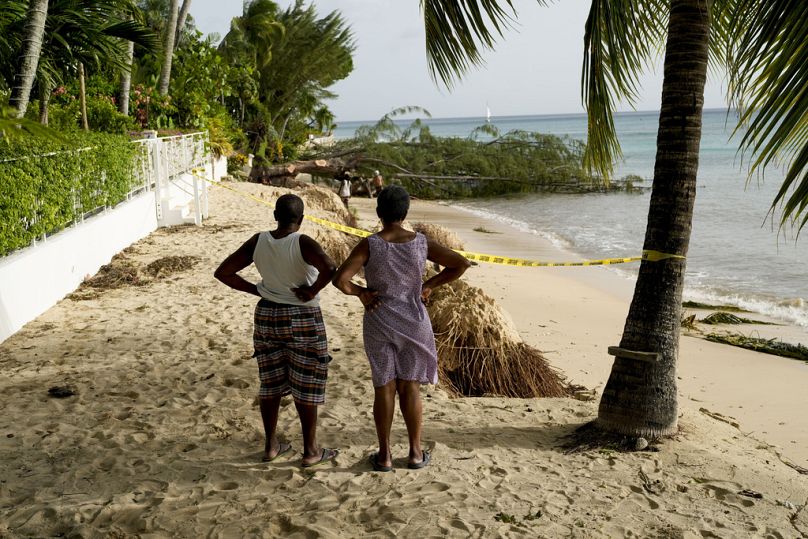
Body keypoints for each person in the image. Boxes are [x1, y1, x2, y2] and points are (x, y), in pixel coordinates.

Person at [332, 186, 471, 471]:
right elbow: (460, 264)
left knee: (384, 387)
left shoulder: (370, 244)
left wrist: (361, 293)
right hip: (414, 321)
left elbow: (341, 280)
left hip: (379, 319)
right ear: (405, 213)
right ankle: (415, 453)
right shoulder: (421, 243)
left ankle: (383, 456)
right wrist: (429, 285)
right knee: (411, 387)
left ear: (379, 213)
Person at [214, 194, 339, 468]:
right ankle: (310, 451)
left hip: (268, 314)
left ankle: (271, 445)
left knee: (269, 382)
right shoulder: (302, 242)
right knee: (306, 383)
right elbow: (330, 268)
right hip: (303, 317)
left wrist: (257, 289)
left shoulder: (259, 240)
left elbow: (223, 272)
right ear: (302, 219)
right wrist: (312, 290)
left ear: (275, 216)